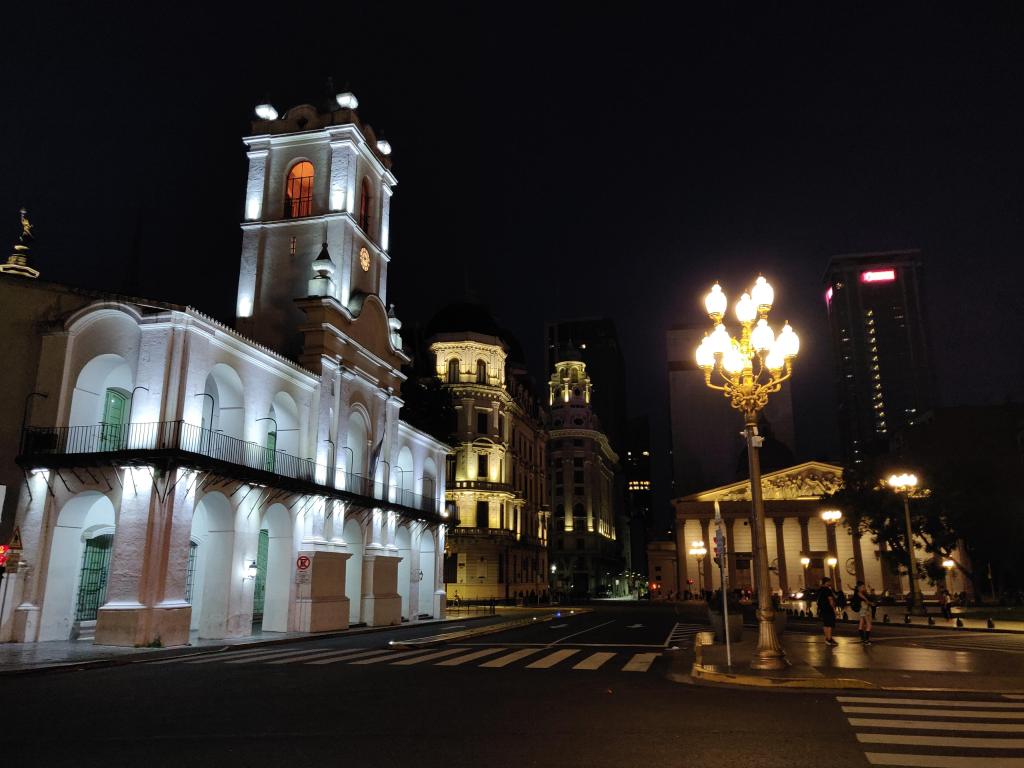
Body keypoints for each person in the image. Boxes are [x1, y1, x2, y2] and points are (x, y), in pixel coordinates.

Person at [817, 576, 839, 646]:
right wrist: (834, 610)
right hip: (828, 609)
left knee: (825, 624)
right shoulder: (827, 590)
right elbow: (831, 600)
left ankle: (827, 638)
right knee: (829, 624)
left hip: (822, 609)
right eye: (829, 582)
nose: (830, 583)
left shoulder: (820, 589)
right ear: (826, 582)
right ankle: (829, 639)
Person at [852, 580, 873, 645]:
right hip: (864, 610)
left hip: (862, 610)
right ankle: (866, 640)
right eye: (863, 587)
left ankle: (863, 639)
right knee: (869, 625)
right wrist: (871, 603)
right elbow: (867, 600)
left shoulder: (857, 593)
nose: (864, 588)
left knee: (861, 624)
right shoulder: (859, 593)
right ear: (859, 587)